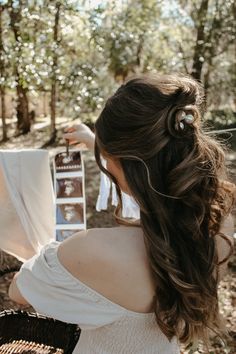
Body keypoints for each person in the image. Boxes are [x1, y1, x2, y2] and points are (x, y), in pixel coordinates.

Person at [8, 73, 235, 353]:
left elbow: (18, 292)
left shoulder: (88, 250)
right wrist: (96, 142)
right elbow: (156, 192)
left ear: (121, 162)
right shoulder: (218, 229)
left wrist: (43, 259)